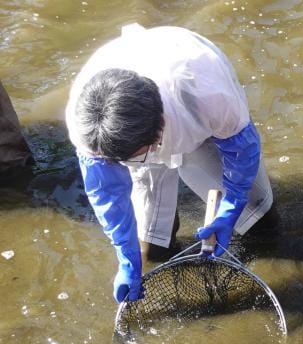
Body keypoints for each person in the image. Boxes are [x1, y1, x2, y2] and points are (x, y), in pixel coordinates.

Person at [65, 24, 273, 303]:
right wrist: (126, 260)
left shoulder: (210, 95)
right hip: (131, 130)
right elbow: (107, 193)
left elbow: (241, 150)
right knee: (152, 248)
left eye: (139, 154)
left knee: (259, 215)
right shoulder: (89, 124)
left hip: (191, 104)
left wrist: (232, 205)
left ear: (159, 129)